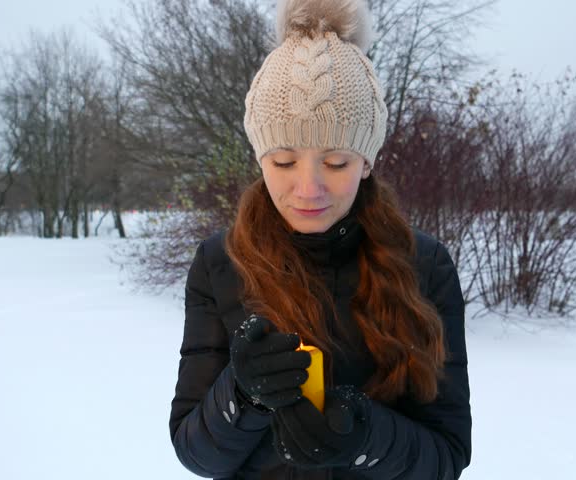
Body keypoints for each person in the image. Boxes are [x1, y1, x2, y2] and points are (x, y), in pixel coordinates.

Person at [168, 1, 472, 478]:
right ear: (260, 159)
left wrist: (364, 436)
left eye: (336, 163)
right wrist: (242, 395)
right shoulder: (219, 262)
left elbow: (448, 455)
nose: (309, 189)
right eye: (285, 161)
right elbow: (195, 453)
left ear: (367, 162)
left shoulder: (424, 264)